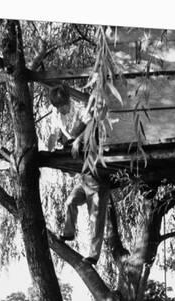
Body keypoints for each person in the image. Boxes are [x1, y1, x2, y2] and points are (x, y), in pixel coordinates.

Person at [48, 84, 110, 266]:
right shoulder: (56, 112)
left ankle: (93, 255)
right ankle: (68, 233)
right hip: (84, 178)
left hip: (97, 176)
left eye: (64, 106)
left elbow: (91, 124)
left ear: (68, 101)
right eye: (59, 108)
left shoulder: (81, 107)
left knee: (96, 218)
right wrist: (51, 150)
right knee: (70, 202)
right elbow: (55, 133)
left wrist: (78, 140)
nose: (62, 110)